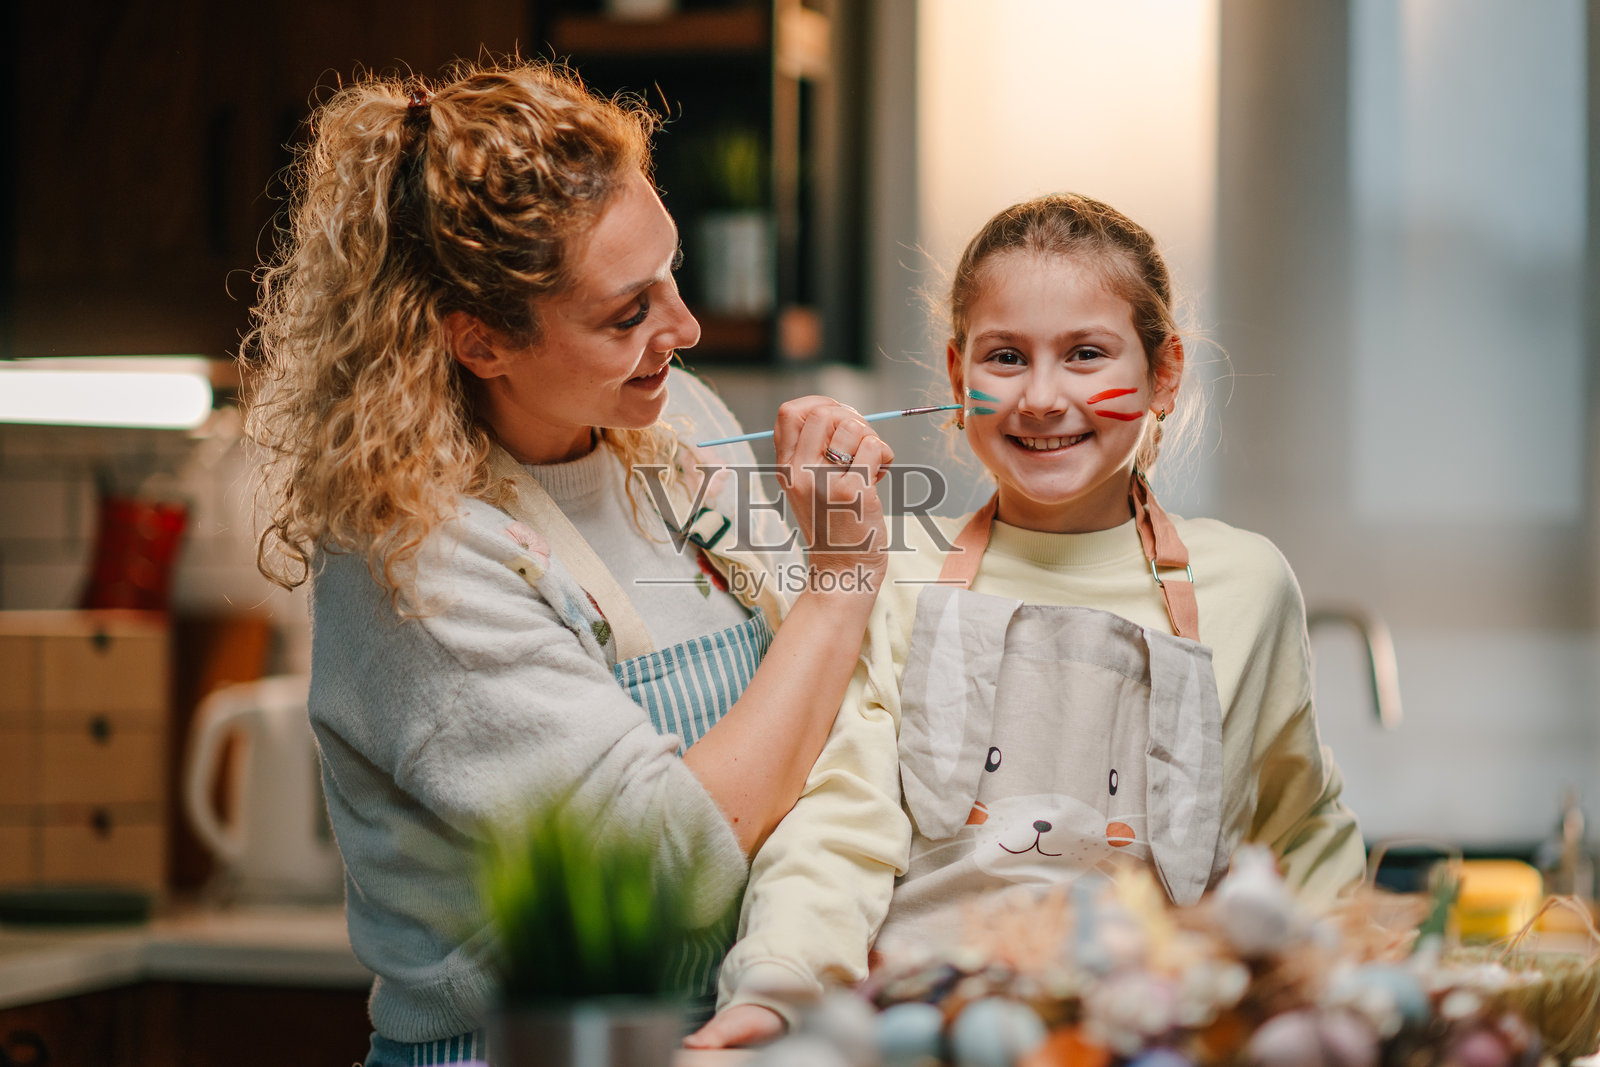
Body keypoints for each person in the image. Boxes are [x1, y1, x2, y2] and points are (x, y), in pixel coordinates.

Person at [243, 59, 893, 1065]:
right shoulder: (418, 559)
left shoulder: (676, 425)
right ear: (480, 342)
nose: (680, 330)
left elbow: (832, 734)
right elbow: (661, 868)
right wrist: (840, 584)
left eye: (669, 277)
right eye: (625, 314)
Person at [689, 192, 1367, 1049]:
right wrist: (775, 988)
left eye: (1086, 354)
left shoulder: (1250, 586)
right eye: (1006, 357)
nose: (1042, 398)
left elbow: (1301, 837)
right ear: (956, 377)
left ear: (1164, 374)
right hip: (929, 1033)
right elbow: (840, 823)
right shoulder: (894, 577)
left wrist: (1357, 1002)